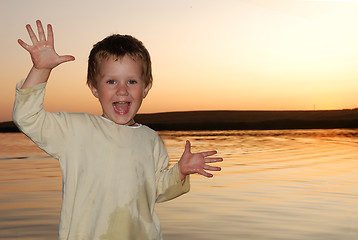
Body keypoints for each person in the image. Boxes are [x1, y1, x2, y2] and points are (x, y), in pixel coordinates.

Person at [13, 20, 222, 240]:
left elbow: (158, 190)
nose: (122, 90)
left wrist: (179, 171)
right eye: (111, 81)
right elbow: (27, 117)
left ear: (146, 87)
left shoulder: (150, 139)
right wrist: (41, 70)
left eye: (131, 81)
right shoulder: (76, 131)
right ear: (94, 87)